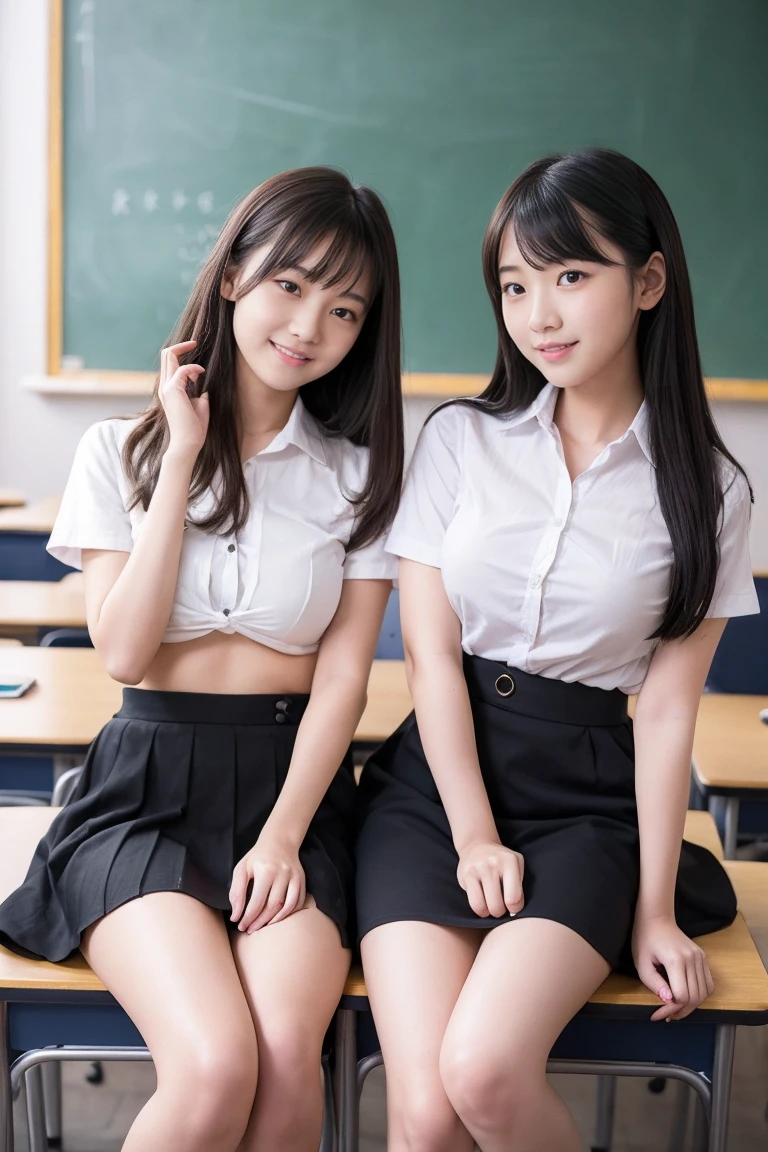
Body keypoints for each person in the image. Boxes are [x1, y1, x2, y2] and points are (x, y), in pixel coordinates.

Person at [355, 147, 758, 1152]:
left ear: (649, 281)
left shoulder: (712, 491)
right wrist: (475, 833)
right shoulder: (457, 442)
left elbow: (666, 714)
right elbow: (432, 660)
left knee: (484, 1073)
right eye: (516, 285)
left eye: (571, 276)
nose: (539, 315)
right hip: (433, 792)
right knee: (421, 1110)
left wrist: (655, 911)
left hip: (587, 803)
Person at [0, 166, 403, 1152]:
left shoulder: (361, 474)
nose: (311, 324)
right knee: (216, 1062)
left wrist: (281, 839)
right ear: (232, 277)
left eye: (345, 308)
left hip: (292, 798)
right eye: (292, 285)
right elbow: (127, 650)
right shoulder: (120, 453)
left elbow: (343, 681)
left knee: (281, 1059)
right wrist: (181, 456)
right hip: (143, 794)